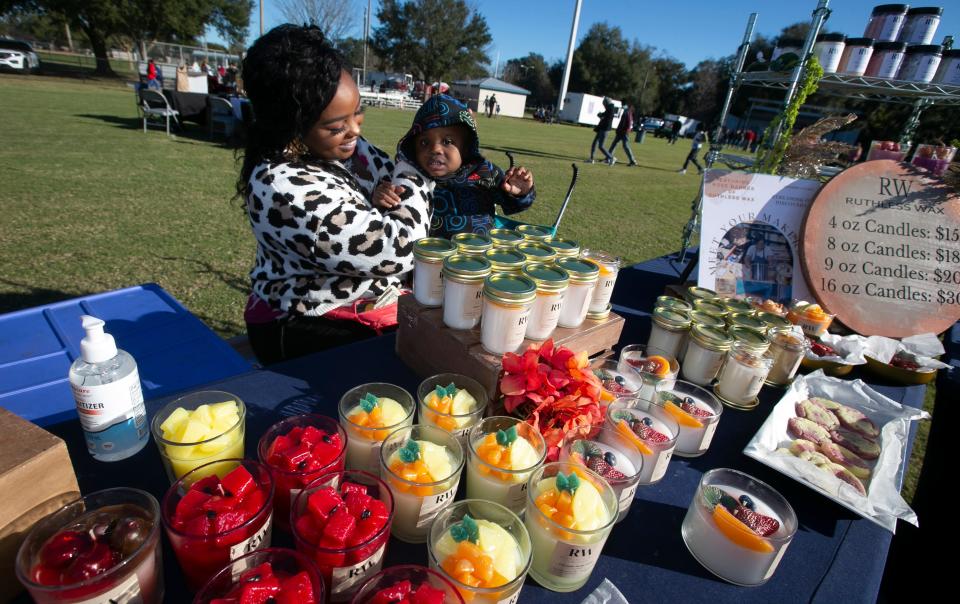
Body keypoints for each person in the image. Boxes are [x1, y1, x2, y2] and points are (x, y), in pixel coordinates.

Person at [238, 24, 432, 365]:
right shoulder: (283, 187)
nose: (356, 131)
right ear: (292, 126)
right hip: (308, 324)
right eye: (336, 127)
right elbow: (402, 248)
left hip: (361, 308)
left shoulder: (343, 149)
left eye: (357, 114)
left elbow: (395, 189)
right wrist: (416, 167)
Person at [374, 94, 534, 239]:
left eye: (448, 141)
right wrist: (381, 198)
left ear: (466, 147)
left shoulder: (485, 171)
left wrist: (520, 193)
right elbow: (392, 219)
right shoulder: (411, 179)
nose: (435, 149)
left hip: (479, 260)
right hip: (431, 263)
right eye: (424, 142)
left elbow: (513, 205)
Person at [586, 97, 616, 165]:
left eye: (604, 104)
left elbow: (606, 118)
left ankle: (611, 158)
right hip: (602, 129)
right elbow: (604, 116)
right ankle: (591, 159)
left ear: (606, 103)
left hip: (604, 129)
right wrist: (601, 115)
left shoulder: (610, 109)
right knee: (595, 143)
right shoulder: (609, 108)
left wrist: (601, 115)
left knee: (601, 146)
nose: (604, 106)